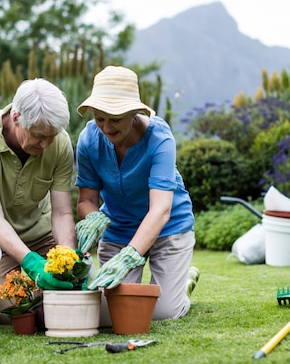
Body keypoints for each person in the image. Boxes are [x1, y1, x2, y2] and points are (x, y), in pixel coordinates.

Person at [75, 65, 200, 323]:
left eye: (115, 119)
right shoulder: (88, 139)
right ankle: (167, 286)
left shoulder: (159, 139)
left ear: (134, 113)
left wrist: (131, 256)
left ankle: (182, 284)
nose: (106, 127)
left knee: (163, 313)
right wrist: (94, 218)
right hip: (120, 230)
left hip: (169, 228)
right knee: (110, 314)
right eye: (100, 118)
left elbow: (161, 209)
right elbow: (87, 199)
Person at [0, 78, 77, 324]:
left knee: (72, 293)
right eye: (39, 136)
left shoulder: (60, 142)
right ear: (16, 117)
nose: (46, 145)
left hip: (41, 233)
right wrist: (32, 263)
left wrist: (67, 258)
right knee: (15, 310)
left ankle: (51, 296)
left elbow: (62, 213)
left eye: (52, 136)